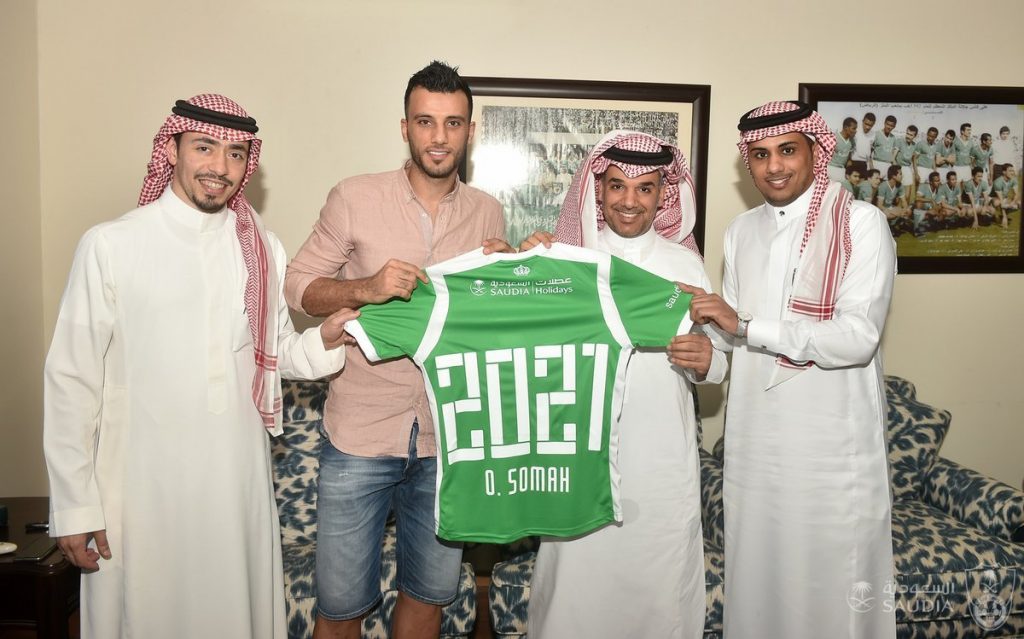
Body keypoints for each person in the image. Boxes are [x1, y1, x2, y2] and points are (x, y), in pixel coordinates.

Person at [43, 94, 355, 639]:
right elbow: (72, 381)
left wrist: (324, 339)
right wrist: (74, 507)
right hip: (139, 488)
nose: (220, 167)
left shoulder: (262, 248)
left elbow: (275, 351)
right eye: (205, 147)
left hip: (235, 483)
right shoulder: (111, 244)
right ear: (172, 149)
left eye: (236, 154)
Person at [283, 61, 507, 639]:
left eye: (453, 123)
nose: (439, 137)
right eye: (425, 121)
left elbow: (490, 322)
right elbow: (297, 287)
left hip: (447, 438)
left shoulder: (488, 211)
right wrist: (365, 288)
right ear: (404, 127)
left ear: (470, 130)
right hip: (359, 436)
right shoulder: (354, 197)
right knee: (339, 610)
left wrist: (509, 272)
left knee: (428, 599)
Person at [683, 100, 897, 639]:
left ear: (814, 152)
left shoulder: (861, 223)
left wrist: (744, 325)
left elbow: (857, 338)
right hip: (755, 448)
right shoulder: (740, 230)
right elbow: (729, 337)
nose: (774, 166)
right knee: (759, 583)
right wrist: (704, 357)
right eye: (759, 155)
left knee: (833, 590)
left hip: (831, 451)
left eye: (786, 150)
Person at [520, 131, 725, 639]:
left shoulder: (685, 264)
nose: (629, 201)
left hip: (660, 455)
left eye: (645, 188)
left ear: (663, 194)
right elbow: (521, 342)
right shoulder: (565, 261)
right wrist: (521, 269)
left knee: (657, 582)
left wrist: (708, 363)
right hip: (581, 449)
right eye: (617, 186)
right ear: (598, 190)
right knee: (575, 584)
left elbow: (718, 356)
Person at [828, 117, 857, 181]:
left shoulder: (852, 141)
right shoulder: (833, 137)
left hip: (841, 170)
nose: (855, 131)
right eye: (853, 128)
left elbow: (849, 158)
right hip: (830, 168)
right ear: (846, 127)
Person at [850, 111, 876, 176]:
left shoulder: (874, 135)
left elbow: (871, 151)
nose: (867, 127)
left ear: (873, 124)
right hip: (853, 161)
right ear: (862, 121)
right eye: (866, 124)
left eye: (870, 125)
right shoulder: (855, 131)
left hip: (865, 163)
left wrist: (871, 167)